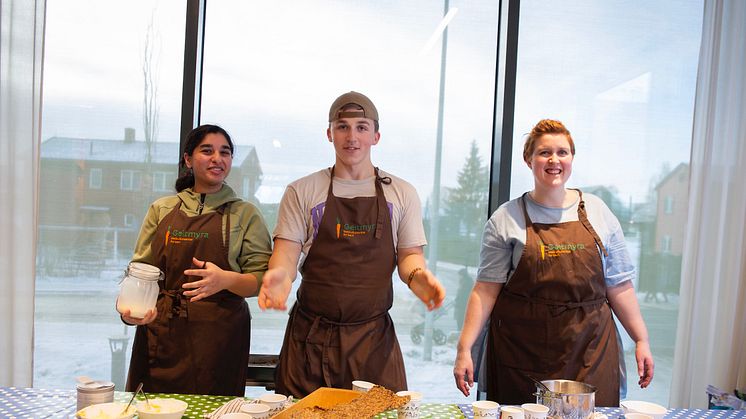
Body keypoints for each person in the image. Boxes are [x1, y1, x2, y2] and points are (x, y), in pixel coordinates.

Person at [257, 91, 446, 398]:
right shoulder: (302, 191)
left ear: (376, 136)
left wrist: (417, 277)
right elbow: (286, 254)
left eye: (361, 126)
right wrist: (279, 275)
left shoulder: (402, 193)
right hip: (310, 341)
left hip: (374, 343)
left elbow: (410, 256)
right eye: (342, 126)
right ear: (329, 133)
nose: (352, 136)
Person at [452, 119, 654, 406]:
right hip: (521, 351)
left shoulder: (599, 212)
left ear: (572, 158)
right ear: (528, 159)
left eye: (562, 152)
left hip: (591, 349)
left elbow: (619, 284)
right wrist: (464, 348)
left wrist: (641, 339)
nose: (554, 160)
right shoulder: (505, 219)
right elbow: (485, 290)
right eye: (544, 153)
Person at [117, 124, 272, 396]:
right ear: (188, 159)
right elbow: (141, 271)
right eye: (207, 151)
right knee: (152, 409)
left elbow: (260, 280)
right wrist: (132, 312)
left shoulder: (245, 214)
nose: (217, 158)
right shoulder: (162, 209)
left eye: (225, 152)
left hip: (218, 338)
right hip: (161, 331)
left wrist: (225, 279)